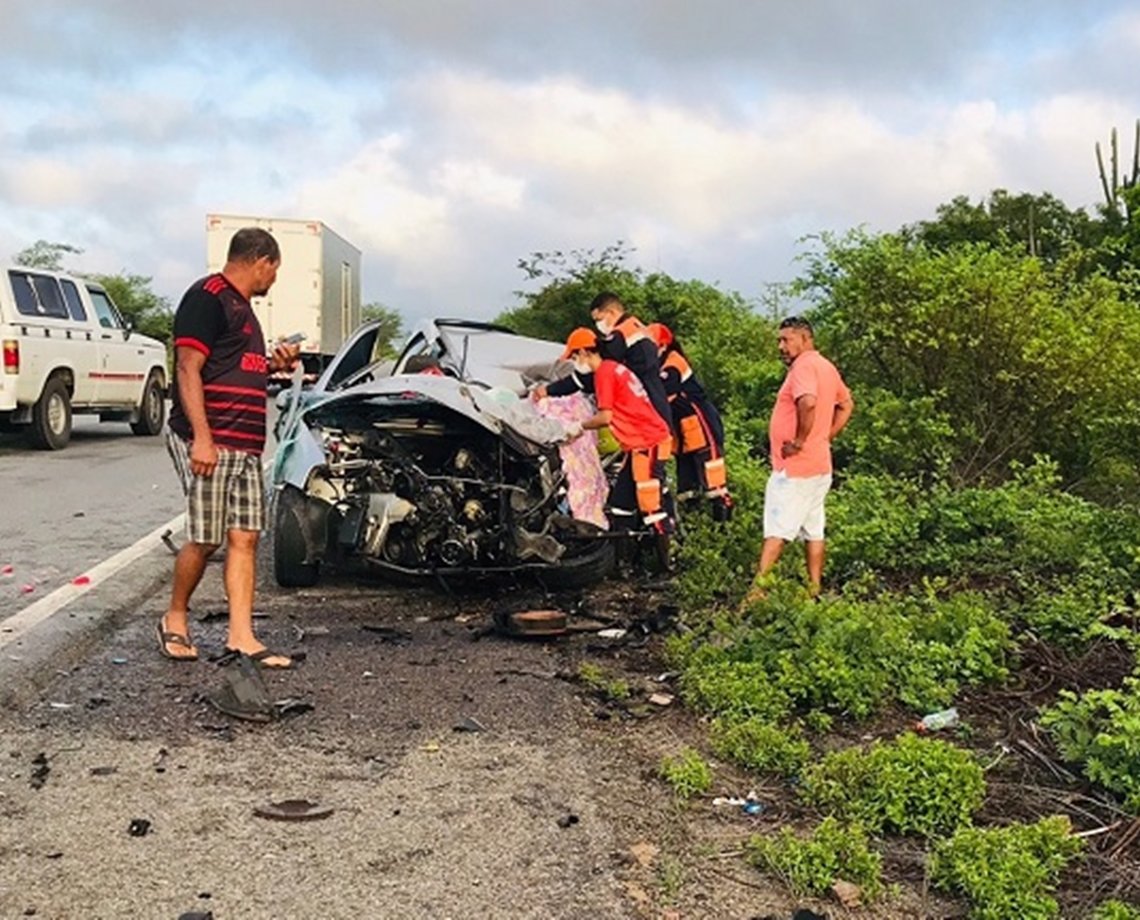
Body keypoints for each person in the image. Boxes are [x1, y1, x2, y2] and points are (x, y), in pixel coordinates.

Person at [157, 227, 300, 667]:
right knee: (205, 538)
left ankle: (242, 637)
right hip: (211, 441)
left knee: (246, 538)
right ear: (263, 261)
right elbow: (187, 368)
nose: (273, 281)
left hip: (246, 446)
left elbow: (236, 367)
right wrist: (202, 437)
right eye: (274, 271)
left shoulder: (244, 311)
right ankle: (174, 618)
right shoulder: (208, 297)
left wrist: (274, 366)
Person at [746, 316, 853, 602]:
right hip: (819, 466)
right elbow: (846, 404)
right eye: (779, 340)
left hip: (795, 468)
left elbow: (807, 402)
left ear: (805, 339)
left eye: (787, 339)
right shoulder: (826, 366)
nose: (781, 346)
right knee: (813, 530)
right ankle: (814, 589)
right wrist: (826, 436)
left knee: (777, 531)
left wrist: (801, 440)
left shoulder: (804, 367)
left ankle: (757, 592)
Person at [560, 327, 674, 536]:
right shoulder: (615, 368)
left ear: (586, 352)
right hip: (641, 443)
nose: (575, 362)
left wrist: (578, 427)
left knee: (651, 507)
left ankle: (667, 557)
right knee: (620, 502)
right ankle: (625, 556)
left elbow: (605, 417)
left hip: (648, 443)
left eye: (575, 356)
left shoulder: (604, 373)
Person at [531, 292, 672, 433]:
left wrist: (549, 390)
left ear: (611, 312)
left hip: (644, 419)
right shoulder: (640, 328)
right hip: (656, 408)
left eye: (599, 319)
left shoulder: (620, 336)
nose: (598, 325)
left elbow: (591, 377)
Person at [646, 323, 733, 521]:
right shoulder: (655, 366)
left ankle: (722, 527)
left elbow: (665, 388)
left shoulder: (674, 363)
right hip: (682, 429)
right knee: (687, 484)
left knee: (713, 479)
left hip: (701, 423)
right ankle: (694, 525)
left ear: (662, 346)